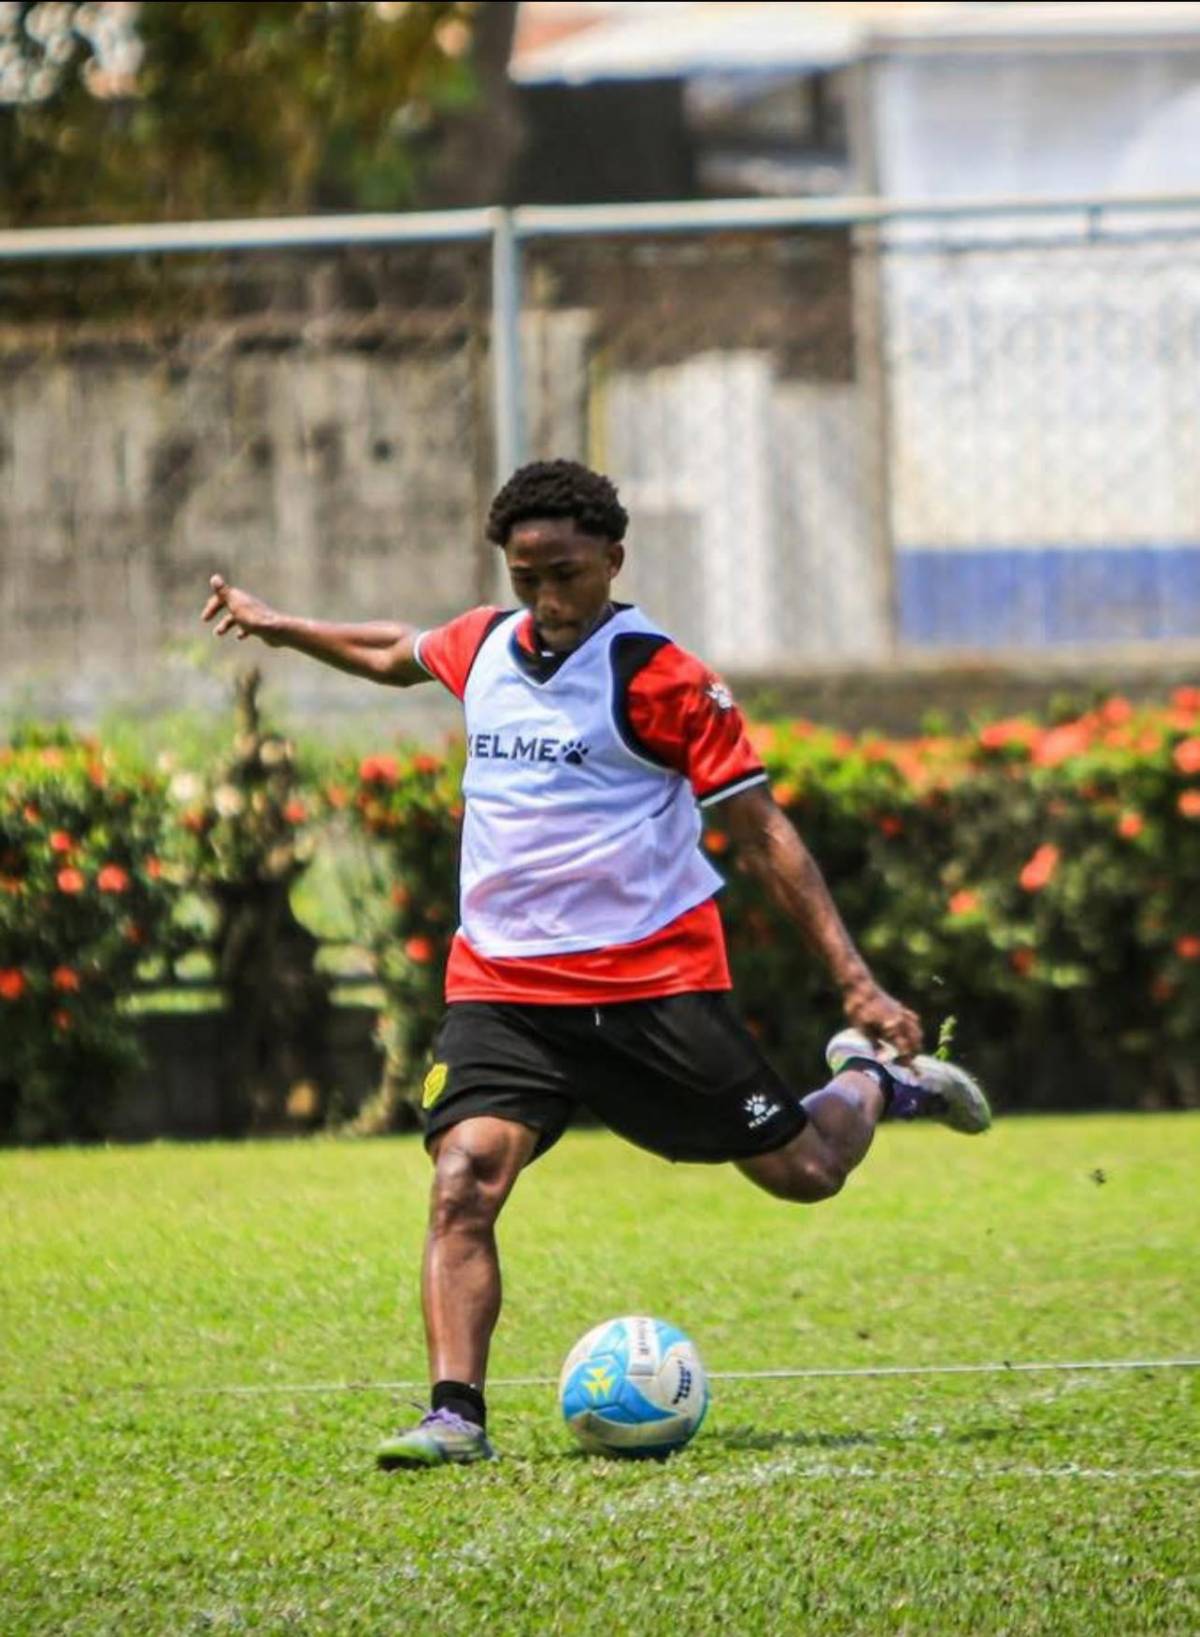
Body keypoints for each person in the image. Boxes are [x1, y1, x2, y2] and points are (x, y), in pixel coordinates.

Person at [202, 458, 990, 1470]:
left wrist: (857, 981)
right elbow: (393, 649)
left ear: (613, 558)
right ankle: (455, 1413)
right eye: (527, 575)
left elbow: (759, 830)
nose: (546, 597)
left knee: (806, 1171)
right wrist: (280, 626)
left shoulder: (665, 678)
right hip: (505, 992)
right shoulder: (483, 642)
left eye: (566, 572)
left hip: (653, 989)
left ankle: (871, 1076)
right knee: (463, 1179)